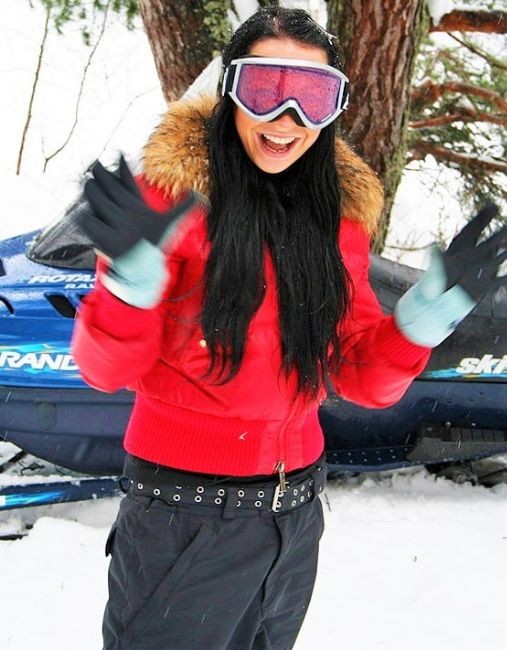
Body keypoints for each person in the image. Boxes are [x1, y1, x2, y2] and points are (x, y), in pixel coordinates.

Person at [71, 7, 505, 650]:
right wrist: (127, 292)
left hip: (294, 519)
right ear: (229, 93)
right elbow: (104, 369)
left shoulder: (337, 222)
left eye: (313, 96)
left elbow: (358, 377)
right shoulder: (168, 207)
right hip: (184, 520)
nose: (288, 118)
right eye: (265, 89)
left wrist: (414, 328)